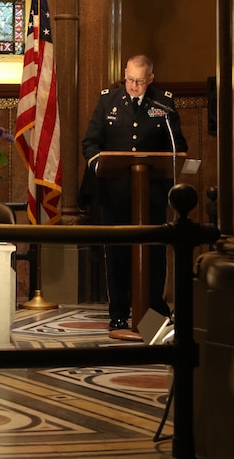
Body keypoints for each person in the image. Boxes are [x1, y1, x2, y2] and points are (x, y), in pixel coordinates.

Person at [81, 55, 188, 331]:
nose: (133, 86)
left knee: (154, 257)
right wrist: (98, 166)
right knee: (116, 256)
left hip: (151, 196)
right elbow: (91, 142)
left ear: (150, 79)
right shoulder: (108, 100)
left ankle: (154, 315)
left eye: (140, 81)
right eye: (129, 79)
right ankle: (118, 314)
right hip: (114, 195)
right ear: (124, 75)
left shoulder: (163, 103)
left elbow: (178, 147)